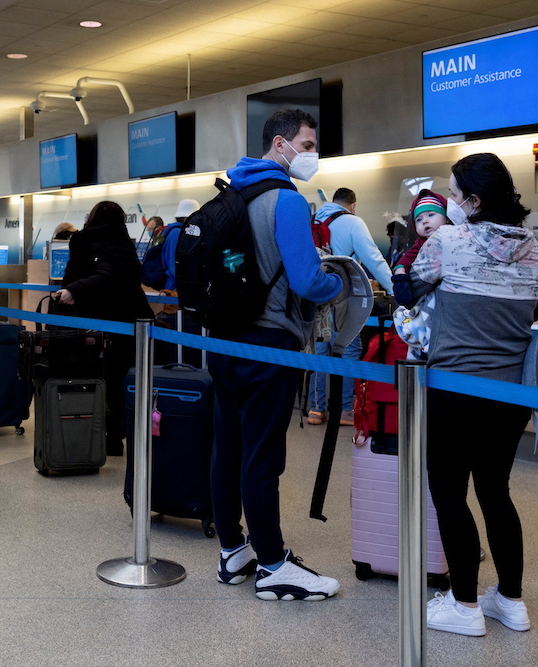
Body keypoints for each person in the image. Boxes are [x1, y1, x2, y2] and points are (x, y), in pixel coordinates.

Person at [402, 153, 538, 636]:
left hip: (453, 388)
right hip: (509, 394)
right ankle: (510, 599)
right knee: (495, 490)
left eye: (454, 193)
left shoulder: (447, 238)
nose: (449, 202)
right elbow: (537, 309)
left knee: (449, 493)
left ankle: (464, 605)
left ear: (473, 200)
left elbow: (410, 288)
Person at [208, 107, 343, 601]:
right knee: (263, 456)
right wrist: (337, 283)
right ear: (280, 144)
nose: (312, 155)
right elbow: (308, 279)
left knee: (228, 449)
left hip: (223, 342)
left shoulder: (233, 193)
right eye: (307, 145)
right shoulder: (286, 199)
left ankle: (232, 552)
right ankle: (272, 565)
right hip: (268, 345)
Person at [53, 201, 153, 456]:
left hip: (99, 321)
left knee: (99, 379)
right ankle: (120, 435)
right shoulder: (125, 241)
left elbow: (102, 275)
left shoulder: (86, 240)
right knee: (122, 379)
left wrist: (72, 290)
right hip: (133, 321)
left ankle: (102, 436)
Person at [306, 187, 394, 426]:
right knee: (348, 349)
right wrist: (396, 289)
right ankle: (344, 410)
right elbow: (374, 258)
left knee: (319, 352)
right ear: (353, 205)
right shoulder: (353, 222)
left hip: (316, 295)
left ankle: (316, 410)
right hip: (343, 296)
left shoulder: (314, 220)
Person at [389, 190, 450, 360]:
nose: (425, 221)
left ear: (446, 217)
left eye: (431, 214)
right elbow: (405, 259)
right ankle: (423, 344)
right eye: (419, 219)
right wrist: (400, 272)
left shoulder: (454, 237)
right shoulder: (420, 244)